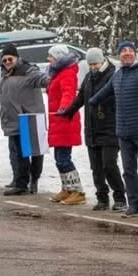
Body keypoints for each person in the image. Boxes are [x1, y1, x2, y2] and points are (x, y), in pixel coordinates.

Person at [88, 41, 138, 217]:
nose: (127, 53)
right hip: (124, 130)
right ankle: (133, 204)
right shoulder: (118, 75)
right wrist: (91, 102)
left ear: (135, 54)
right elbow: (104, 92)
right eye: (123, 51)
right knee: (128, 170)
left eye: (130, 51)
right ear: (119, 55)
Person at [64, 47, 126, 212]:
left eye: (95, 64)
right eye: (90, 65)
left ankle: (120, 197)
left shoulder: (113, 75)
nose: (93, 67)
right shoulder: (88, 77)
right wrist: (69, 111)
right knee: (96, 167)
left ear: (102, 61)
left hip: (110, 128)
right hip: (92, 129)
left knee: (109, 164)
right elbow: (80, 98)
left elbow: (116, 97)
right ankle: (102, 198)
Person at [0, 44, 49, 196]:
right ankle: (19, 180)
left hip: (28, 118)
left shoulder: (28, 71)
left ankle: (30, 181)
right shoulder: (5, 74)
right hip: (12, 119)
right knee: (16, 152)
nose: (7, 62)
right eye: (4, 59)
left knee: (33, 152)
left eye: (10, 58)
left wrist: (52, 78)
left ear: (17, 58)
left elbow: (42, 79)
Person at [47, 44, 87, 205]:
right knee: (59, 158)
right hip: (57, 120)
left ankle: (78, 190)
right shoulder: (57, 73)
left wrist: (64, 108)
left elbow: (68, 93)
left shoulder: (67, 74)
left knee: (64, 158)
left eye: (51, 56)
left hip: (64, 120)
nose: (48, 59)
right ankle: (67, 188)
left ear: (58, 58)